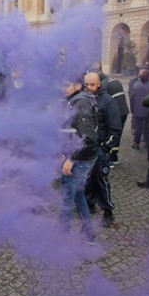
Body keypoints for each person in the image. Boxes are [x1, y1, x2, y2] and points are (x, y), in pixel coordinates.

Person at [60, 77, 98, 242]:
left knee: (67, 196)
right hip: (78, 156)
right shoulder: (75, 100)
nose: (62, 88)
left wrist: (71, 159)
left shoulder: (80, 103)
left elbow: (87, 137)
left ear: (77, 86)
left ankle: (63, 237)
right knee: (78, 194)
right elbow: (72, 131)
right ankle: (89, 233)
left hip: (80, 158)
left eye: (66, 84)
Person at [82, 71, 122, 228]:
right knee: (87, 178)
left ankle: (107, 211)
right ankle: (89, 202)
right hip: (86, 148)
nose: (89, 87)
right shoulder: (83, 99)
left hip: (100, 148)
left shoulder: (108, 101)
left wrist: (106, 148)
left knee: (101, 180)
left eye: (92, 84)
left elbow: (115, 128)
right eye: (87, 84)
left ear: (99, 83)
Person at [98, 71, 128, 165]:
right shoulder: (115, 81)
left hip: (115, 112)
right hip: (124, 110)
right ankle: (114, 157)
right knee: (117, 134)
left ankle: (110, 158)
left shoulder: (104, 84)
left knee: (111, 133)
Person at [129, 68, 149, 150]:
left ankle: (136, 142)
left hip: (138, 110)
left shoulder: (136, 85)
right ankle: (146, 141)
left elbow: (132, 98)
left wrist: (132, 109)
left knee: (138, 128)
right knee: (147, 127)